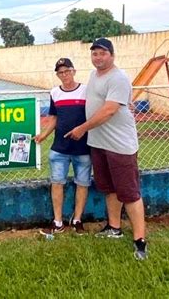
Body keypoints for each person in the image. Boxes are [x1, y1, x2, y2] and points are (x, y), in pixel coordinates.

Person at [65, 38, 148, 260]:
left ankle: (140, 241)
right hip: (99, 143)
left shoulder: (118, 78)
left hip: (119, 145)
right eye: (94, 53)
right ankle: (114, 228)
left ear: (112, 55)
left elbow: (109, 110)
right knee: (109, 189)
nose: (98, 57)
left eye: (102, 53)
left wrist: (82, 128)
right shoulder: (93, 75)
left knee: (129, 193)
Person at [35, 58, 91, 236]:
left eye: (67, 71)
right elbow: (54, 118)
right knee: (57, 183)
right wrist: (44, 135)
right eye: (60, 72)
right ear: (57, 75)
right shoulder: (54, 93)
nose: (64, 75)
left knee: (82, 184)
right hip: (59, 148)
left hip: (83, 148)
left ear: (74, 71)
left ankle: (77, 221)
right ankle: (58, 222)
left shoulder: (86, 91)